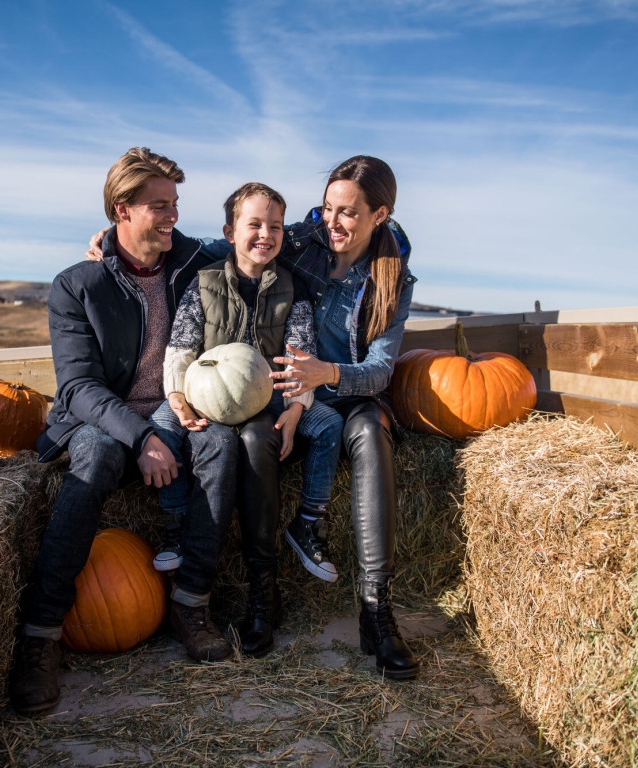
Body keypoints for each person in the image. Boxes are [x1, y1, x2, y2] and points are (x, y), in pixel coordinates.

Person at [86, 156, 421, 679]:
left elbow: (379, 371)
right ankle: (263, 597)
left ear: (379, 215)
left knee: (370, 435)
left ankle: (377, 613)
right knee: (252, 438)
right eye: (328, 208)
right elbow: (224, 244)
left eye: (349, 213)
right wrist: (118, 239)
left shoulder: (392, 280)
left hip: (341, 391)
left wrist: (324, 374)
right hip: (277, 393)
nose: (332, 222)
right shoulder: (298, 242)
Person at [11, 148, 239, 717]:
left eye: (176, 205)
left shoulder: (193, 262)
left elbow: (262, 231)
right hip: (103, 417)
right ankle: (40, 635)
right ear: (122, 209)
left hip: (180, 405)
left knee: (221, 442)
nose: (172, 217)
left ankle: (191, 603)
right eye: (159, 206)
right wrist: (143, 439)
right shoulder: (77, 285)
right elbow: (77, 389)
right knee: (91, 463)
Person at [149, 182, 345, 657]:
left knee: (312, 429)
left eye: (274, 226)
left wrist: (298, 409)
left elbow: (302, 355)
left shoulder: (290, 288)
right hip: (208, 396)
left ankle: (287, 557)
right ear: (229, 232)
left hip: (271, 398)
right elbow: (180, 347)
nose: (265, 234)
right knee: (161, 430)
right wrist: (177, 396)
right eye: (253, 224)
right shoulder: (205, 282)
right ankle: (176, 523)